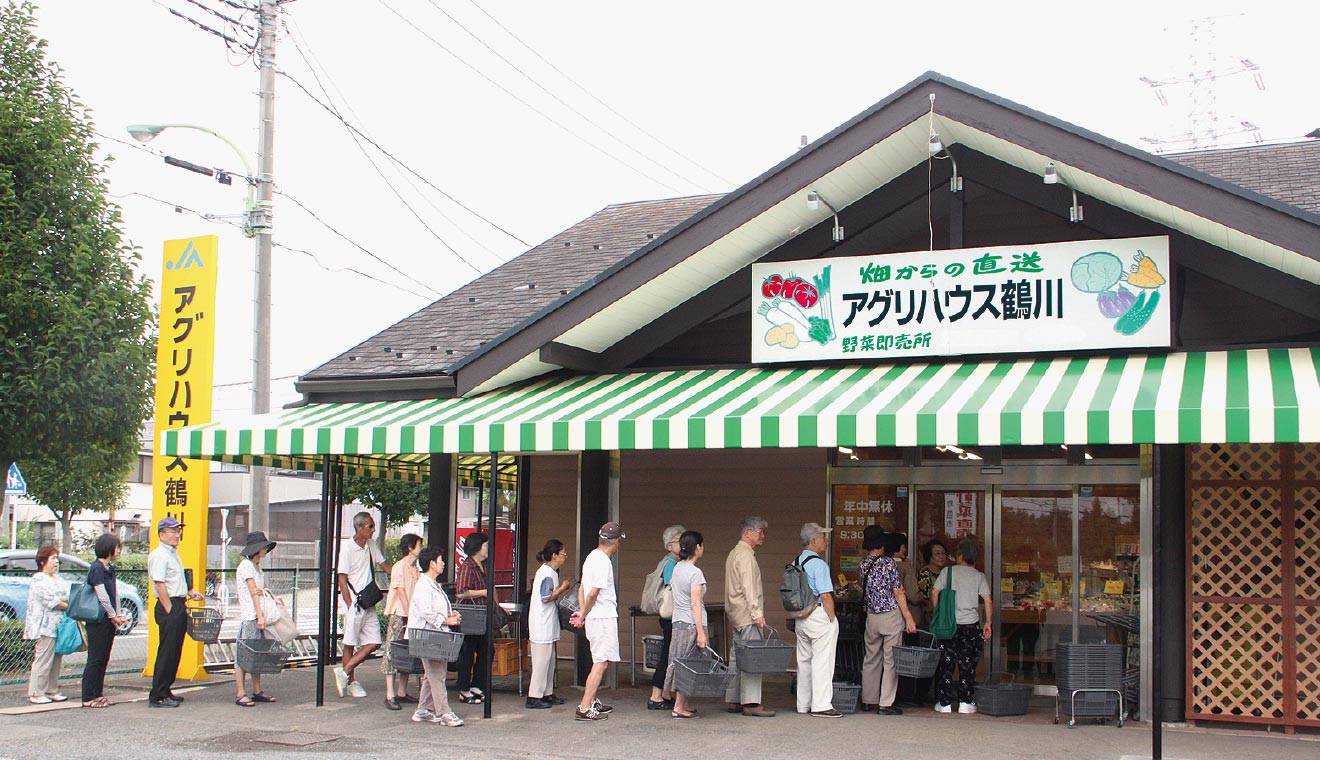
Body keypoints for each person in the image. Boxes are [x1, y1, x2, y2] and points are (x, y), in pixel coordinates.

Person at [568, 521, 626, 721]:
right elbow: (593, 592)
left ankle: (592, 701)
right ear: (616, 541)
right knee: (600, 663)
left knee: (601, 661)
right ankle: (584, 707)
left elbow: (583, 589)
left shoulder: (591, 557)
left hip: (595, 616)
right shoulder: (603, 561)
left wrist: (583, 611)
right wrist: (583, 613)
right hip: (602, 616)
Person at [931, 538, 994, 714]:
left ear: (960, 556)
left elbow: (935, 592)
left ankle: (944, 703)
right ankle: (965, 702)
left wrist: (938, 612)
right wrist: (988, 622)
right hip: (970, 626)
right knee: (967, 665)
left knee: (946, 664)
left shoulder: (947, 572)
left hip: (948, 625)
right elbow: (988, 599)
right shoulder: (978, 576)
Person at [859, 529, 917, 715]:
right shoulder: (888, 563)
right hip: (890, 615)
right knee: (890, 660)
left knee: (871, 658)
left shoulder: (863, 564)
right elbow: (898, 591)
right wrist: (908, 617)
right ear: (882, 545)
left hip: (872, 616)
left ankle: (868, 700)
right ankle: (886, 702)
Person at [148, 516, 205, 708]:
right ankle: (157, 694)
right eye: (173, 531)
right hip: (169, 605)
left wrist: (188, 592)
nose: (177, 534)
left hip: (178, 603)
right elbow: (159, 583)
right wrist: (169, 608)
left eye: (177, 530)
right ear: (162, 534)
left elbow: (174, 581)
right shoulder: (159, 555)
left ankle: (166, 689)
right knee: (166, 650)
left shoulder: (173, 554)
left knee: (174, 650)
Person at [335, 512, 392, 699]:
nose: (373, 530)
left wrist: (403, 572)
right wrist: (350, 603)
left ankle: (345, 671)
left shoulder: (371, 546)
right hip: (355, 603)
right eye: (370, 526)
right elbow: (341, 579)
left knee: (375, 642)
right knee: (349, 643)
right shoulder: (347, 548)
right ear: (358, 527)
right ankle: (350, 682)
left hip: (368, 602)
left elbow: (385, 565)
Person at [407, 545, 465, 727]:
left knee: (432, 673)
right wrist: (447, 620)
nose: (443, 564)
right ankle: (444, 712)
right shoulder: (423, 586)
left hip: (434, 635)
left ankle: (424, 709)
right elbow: (426, 612)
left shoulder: (432, 585)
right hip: (426, 635)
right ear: (432, 564)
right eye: (440, 561)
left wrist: (451, 615)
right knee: (437, 673)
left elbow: (436, 610)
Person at [723, 516, 774, 717]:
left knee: (737, 657)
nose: (762, 535)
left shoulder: (734, 553)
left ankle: (734, 699)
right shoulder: (745, 556)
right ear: (747, 532)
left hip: (736, 614)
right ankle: (751, 703)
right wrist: (757, 613)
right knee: (752, 658)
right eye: (759, 530)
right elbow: (749, 587)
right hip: (747, 615)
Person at [794, 522, 843, 717]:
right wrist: (832, 618)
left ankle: (803, 704)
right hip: (818, 615)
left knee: (804, 661)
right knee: (823, 660)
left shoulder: (797, 561)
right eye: (823, 537)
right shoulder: (819, 564)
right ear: (814, 541)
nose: (827, 541)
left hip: (801, 616)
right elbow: (826, 595)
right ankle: (822, 705)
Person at [664, 530, 708, 719]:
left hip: (678, 622)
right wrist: (701, 632)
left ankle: (683, 703)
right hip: (692, 623)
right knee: (689, 665)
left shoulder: (677, 567)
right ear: (697, 547)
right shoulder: (695, 573)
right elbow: (695, 604)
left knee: (679, 661)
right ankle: (679, 707)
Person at [82, 533, 129, 708]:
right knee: (95, 658)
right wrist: (112, 614)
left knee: (103, 657)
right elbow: (101, 595)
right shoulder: (96, 568)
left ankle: (98, 694)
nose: (118, 551)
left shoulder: (109, 569)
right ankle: (88, 697)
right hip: (97, 619)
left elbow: (114, 593)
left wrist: (117, 614)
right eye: (117, 547)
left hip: (108, 619)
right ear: (108, 548)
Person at [234, 531, 278, 707]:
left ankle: (256, 690)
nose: (265, 549)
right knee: (244, 655)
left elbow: (261, 590)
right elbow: (254, 593)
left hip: (256, 614)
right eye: (263, 546)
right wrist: (260, 615)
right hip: (250, 615)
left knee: (256, 654)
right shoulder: (246, 566)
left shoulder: (256, 566)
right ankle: (240, 692)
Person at [527, 539, 571, 709]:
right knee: (541, 661)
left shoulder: (551, 572)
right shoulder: (546, 573)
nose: (565, 556)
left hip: (547, 622)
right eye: (563, 553)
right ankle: (534, 695)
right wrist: (562, 588)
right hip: (541, 623)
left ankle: (547, 692)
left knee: (549, 659)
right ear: (554, 556)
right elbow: (546, 598)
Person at [382, 533, 423, 710]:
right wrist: (408, 612)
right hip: (400, 613)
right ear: (410, 547)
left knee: (408, 652)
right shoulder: (399, 566)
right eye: (419, 545)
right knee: (392, 650)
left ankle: (401, 691)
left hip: (411, 613)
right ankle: (390, 693)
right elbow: (399, 590)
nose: (421, 548)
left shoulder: (415, 568)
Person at [24, 545, 68, 704]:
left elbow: (67, 597)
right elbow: (51, 600)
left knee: (57, 659)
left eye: (57, 558)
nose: (56, 562)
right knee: (43, 659)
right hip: (44, 626)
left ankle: (52, 689)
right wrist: (62, 600)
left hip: (59, 625)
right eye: (52, 558)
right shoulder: (38, 579)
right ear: (43, 561)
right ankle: (36, 692)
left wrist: (62, 600)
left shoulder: (60, 579)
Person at [453, 531, 493, 705]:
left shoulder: (481, 566)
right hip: (469, 616)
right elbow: (461, 592)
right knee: (467, 653)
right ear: (477, 547)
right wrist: (483, 592)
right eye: (485, 545)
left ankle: (477, 684)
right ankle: (464, 688)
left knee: (486, 650)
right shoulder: (468, 567)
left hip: (481, 616)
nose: (488, 548)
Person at [647, 524, 684, 711]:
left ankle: (664, 694)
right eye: (679, 541)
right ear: (669, 545)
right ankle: (656, 695)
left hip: (670, 617)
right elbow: (673, 587)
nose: (683, 544)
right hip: (670, 617)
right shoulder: (671, 563)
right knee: (667, 655)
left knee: (670, 655)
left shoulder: (669, 561)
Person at [891, 532, 927, 707]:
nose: (906, 549)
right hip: (908, 618)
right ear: (899, 548)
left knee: (888, 657)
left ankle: (887, 695)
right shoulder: (905, 567)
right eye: (904, 546)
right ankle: (908, 694)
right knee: (909, 657)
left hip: (886, 617)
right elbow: (913, 594)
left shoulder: (879, 565)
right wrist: (923, 598)